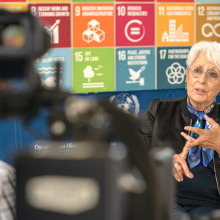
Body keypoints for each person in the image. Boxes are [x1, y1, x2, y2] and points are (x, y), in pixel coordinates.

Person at [138, 41, 220, 220]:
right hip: (166, 198)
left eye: (212, 74)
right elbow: (134, 155)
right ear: (186, 75)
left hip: (212, 205)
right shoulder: (159, 109)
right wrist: (164, 162)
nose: (202, 80)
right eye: (197, 70)